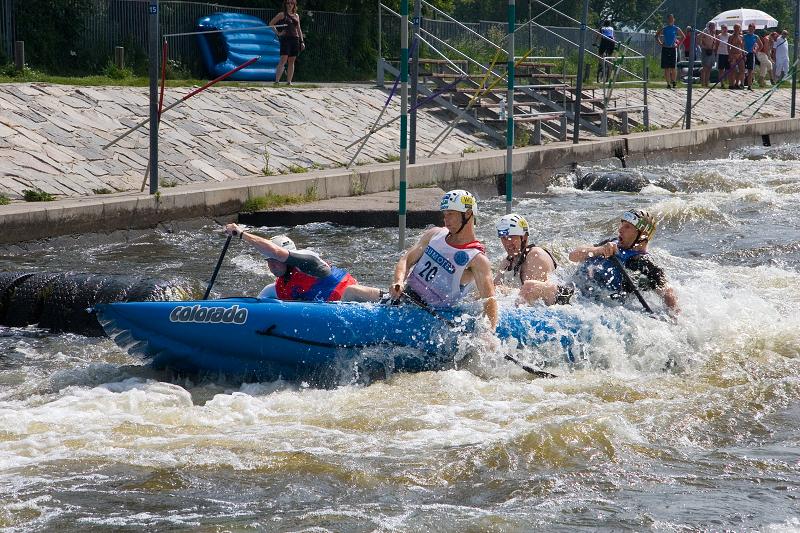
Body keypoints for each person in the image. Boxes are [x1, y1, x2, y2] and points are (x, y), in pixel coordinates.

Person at [390, 190, 497, 329]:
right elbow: (406, 260)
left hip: (431, 313)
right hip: (406, 298)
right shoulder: (434, 234)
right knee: (353, 291)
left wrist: (490, 331)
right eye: (444, 214)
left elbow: (489, 299)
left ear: (468, 214)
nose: (446, 220)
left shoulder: (477, 259)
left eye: (451, 214)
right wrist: (398, 282)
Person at [223, 224, 381, 302]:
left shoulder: (309, 263)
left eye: (275, 260)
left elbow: (276, 252)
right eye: (268, 260)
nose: (272, 264)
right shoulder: (275, 289)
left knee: (351, 291)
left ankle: (391, 298)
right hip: (330, 318)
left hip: (354, 304)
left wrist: (242, 234)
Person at [567, 210, 679, 314]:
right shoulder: (611, 243)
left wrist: (674, 319)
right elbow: (573, 256)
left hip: (592, 306)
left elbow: (667, 292)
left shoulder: (643, 263)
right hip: (574, 291)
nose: (620, 230)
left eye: (627, 227)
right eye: (622, 225)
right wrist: (600, 250)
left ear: (642, 235)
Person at [493, 213, 574, 306]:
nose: (507, 242)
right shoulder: (507, 262)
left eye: (511, 237)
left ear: (524, 237)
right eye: (503, 238)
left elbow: (536, 299)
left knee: (530, 287)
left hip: (562, 302)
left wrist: (506, 292)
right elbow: (493, 289)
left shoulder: (536, 255)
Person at [269, 0, 305, 86]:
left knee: (292, 61)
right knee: (283, 60)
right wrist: (278, 33)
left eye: (291, 3)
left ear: (294, 5)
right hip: (286, 39)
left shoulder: (296, 15)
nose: (290, 5)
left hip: (295, 39)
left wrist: (302, 41)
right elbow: (271, 24)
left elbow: (298, 29)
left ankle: (289, 82)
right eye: (288, 3)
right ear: (285, 4)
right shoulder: (282, 14)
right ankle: (277, 81)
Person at [656, 15, 685, 88]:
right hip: (665, 48)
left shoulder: (676, 28)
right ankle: (668, 83)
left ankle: (674, 81)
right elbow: (657, 36)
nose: (670, 20)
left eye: (671, 19)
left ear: (674, 20)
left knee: (673, 67)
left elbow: (683, 36)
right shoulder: (665, 28)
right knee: (666, 67)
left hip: (673, 48)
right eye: (669, 19)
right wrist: (660, 43)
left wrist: (678, 44)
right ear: (667, 20)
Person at [698, 22, 718, 88]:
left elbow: (714, 42)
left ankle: (707, 82)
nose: (713, 27)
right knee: (705, 67)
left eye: (713, 26)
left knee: (709, 68)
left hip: (711, 51)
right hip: (705, 51)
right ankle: (703, 83)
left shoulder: (714, 34)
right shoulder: (705, 32)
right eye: (711, 26)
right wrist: (703, 46)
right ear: (709, 26)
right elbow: (699, 38)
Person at [743, 23, 761, 90]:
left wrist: (756, 51)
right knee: (743, 70)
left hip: (751, 54)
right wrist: (743, 52)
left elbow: (761, 45)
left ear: (754, 29)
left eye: (752, 29)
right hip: (744, 54)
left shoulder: (756, 36)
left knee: (750, 70)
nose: (750, 30)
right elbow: (742, 45)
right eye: (749, 28)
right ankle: (742, 84)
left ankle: (749, 85)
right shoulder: (744, 36)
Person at [728, 24, 745, 89]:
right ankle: (731, 84)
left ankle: (737, 83)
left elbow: (742, 46)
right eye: (735, 28)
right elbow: (728, 46)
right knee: (733, 70)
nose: (737, 29)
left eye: (738, 28)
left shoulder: (741, 37)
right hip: (733, 54)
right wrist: (730, 55)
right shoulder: (731, 36)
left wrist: (743, 54)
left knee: (742, 70)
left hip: (740, 54)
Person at [717, 24, 730, 89]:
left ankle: (727, 81)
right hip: (721, 53)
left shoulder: (729, 36)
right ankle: (721, 83)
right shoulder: (719, 36)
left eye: (725, 28)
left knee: (728, 69)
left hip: (728, 54)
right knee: (721, 69)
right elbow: (717, 44)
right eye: (723, 28)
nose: (724, 29)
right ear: (721, 29)